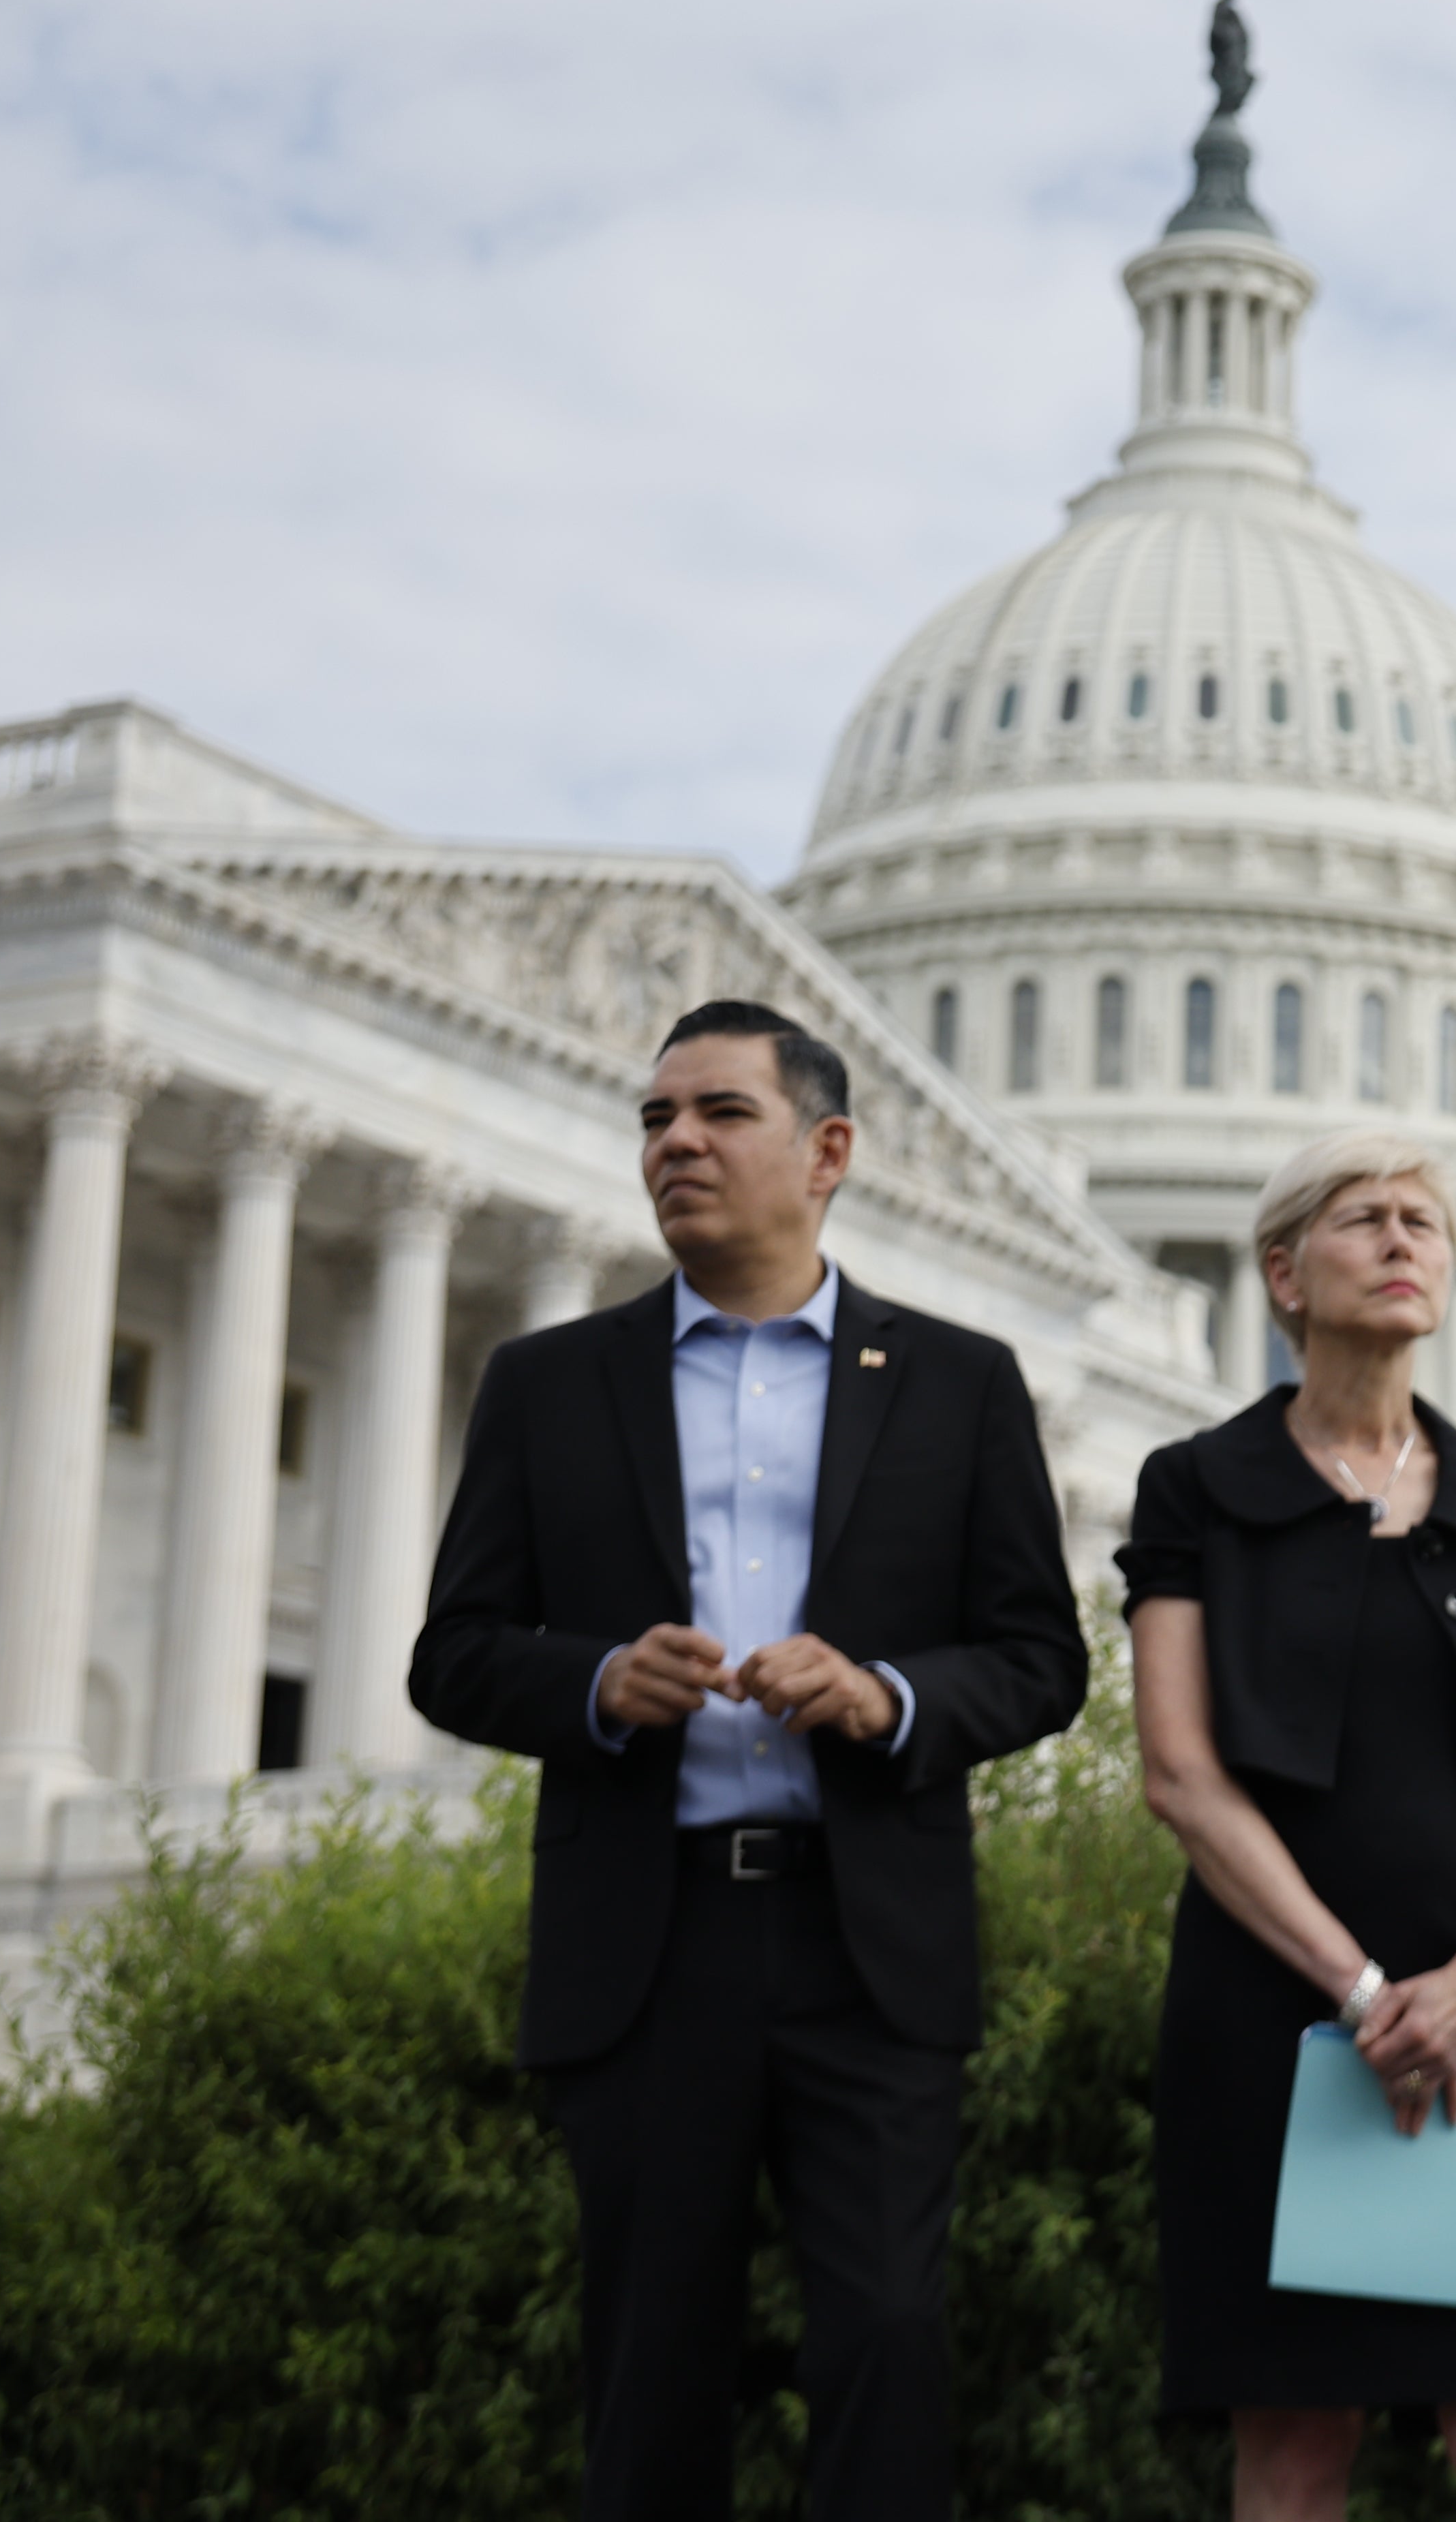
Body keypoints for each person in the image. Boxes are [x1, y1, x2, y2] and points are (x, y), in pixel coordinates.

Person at [412, 998, 1089, 2522]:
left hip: (871, 1949)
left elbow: (1043, 1659)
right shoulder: (548, 1380)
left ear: (827, 1149)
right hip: (648, 1945)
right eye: (656, 1118)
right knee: (653, 2370)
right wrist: (594, 1678)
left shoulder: (958, 1382)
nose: (676, 1144)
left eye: (719, 1112)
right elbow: (451, 1652)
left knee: (890, 2342)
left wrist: (884, 1695)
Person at [1113, 1128, 1456, 2522]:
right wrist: (1367, 1991)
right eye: (1364, 1218)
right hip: (1273, 2012)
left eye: (1424, 1222)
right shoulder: (1195, 1487)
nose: (1402, 1241)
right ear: (1283, 1271)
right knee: (1297, 2430)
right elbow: (1184, 1774)